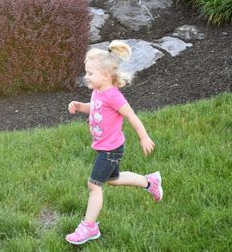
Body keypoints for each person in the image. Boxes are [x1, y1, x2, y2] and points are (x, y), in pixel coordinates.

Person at [66, 40, 163, 245]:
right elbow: (95, 107)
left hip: (110, 150)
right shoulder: (99, 91)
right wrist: (80, 107)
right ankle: (150, 182)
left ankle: (89, 227)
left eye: (90, 73)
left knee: (94, 186)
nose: (87, 76)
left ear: (105, 75)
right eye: (87, 72)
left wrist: (144, 137)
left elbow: (132, 116)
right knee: (113, 179)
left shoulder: (114, 96)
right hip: (106, 148)